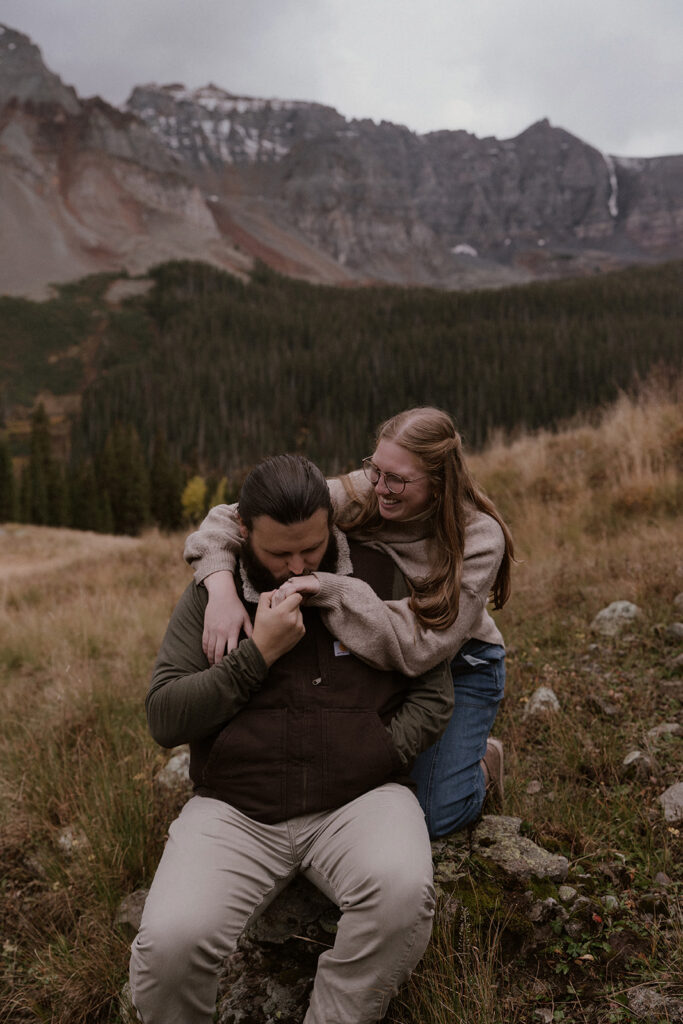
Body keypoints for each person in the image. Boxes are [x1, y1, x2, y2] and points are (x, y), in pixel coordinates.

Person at [130, 454, 453, 1024]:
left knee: (402, 895)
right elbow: (164, 718)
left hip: (362, 799)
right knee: (169, 946)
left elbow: (433, 691)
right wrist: (258, 656)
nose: (298, 565)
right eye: (279, 553)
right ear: (243, 533)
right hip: (236, 808)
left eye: (312, 546)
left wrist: (379, 752)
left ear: (330, 521)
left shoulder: (381, 574)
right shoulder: (212, 594)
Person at [184, 407, 514, 838]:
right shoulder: (367, 491)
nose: (381, 488)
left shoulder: (479, 538)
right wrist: (221, 589)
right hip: (376, 648)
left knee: (432, 816)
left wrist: (328, 586)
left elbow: (420, 647)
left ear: (439, 481)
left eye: (396, 479)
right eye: (375, 469)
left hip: (458, 662)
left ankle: (484, 761)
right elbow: (235, 516)